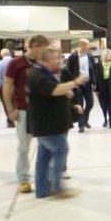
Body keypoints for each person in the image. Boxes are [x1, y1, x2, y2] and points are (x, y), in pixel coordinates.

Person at [27, 48, 86, 198]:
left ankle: (42, 190)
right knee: (61, 150)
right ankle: (57, 188)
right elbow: (54, 89)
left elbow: (54, 89)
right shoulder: (37, 75)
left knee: (44, 157)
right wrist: (75, 82)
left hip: (48, 125)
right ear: (45, 61)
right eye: (55, 59)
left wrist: (66, 92)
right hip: (48, 126)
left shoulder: (44, 73)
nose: (58, 62)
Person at [3, 34, 50, 193]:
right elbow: (6, 87)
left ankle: (45, 176)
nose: (45, 52)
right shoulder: (15, 63)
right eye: (43, 49)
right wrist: (10, 110)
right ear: (35, 46)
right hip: (22, 111)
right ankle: (23, 179)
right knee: (24, 147)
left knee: (46, 145)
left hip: (42, 111)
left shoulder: (42, 64)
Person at [66, 39, 97, 133]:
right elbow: (69, 72)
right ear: (82, 45)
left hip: (87, 84)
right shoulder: (73, 56)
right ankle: (81, 125)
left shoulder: (90, 56)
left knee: (90, 103)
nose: (89, 47)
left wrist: (94, 82)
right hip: (77, 85)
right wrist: (72, 84)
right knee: (80, 104)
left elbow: (93, 70)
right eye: (87, 45)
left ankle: (85, 119)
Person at [95, 49, 111, 128]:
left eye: (108, 54)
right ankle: (105, 119)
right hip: (101, 88)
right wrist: (96, 89)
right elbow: (95, 78)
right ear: (101, 56)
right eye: (104, 54)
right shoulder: (97, 65)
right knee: (103, 106)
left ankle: (110, 121)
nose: (106, 55)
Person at [0, 48, 15, 128]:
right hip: (16, 87)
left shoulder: (0, 64)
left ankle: (11, 121)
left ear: (1, 55)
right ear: (9, 54)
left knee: (7, 104)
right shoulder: (16, 62)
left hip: (4, 88)